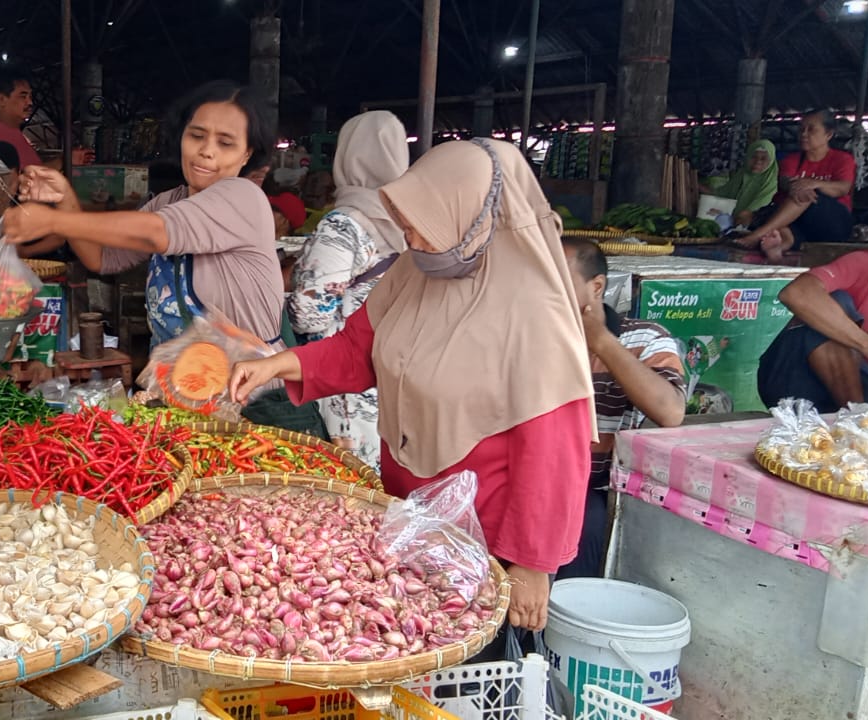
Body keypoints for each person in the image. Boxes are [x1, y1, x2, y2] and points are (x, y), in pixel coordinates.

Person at [228, 139, 594, 633]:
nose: (413, 239)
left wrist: (531, 565)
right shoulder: (417, 271)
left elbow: (553, 454)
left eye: (424, 224)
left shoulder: (535, 314)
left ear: (471, 216)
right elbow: (359, 349)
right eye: (406, 225)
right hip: (408, 511)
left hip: (483, 537)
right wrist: (277, 364)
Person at [2, 80, 322, 435]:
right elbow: (102, 258)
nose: (206, 151)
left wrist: (53, 220)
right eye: (197, 135)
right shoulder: (170, 201)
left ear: (247, 155)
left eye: (225, 143)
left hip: (254, 406)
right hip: (189, 403)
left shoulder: (243, 196)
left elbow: (158, 231)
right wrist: (65, 198)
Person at [557, 238, 687, 580]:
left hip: (596, 488)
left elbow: (670, 411)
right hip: (534, 478)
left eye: (556, 279)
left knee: (580, 523)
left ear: (596, 286)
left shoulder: (645, 338)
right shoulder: (531, 337)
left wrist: (599, 340)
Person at [287, 110, 410, 468]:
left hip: (341, 381)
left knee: (344, 485)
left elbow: (310, 315)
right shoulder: (406, 220)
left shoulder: (345, 224)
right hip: (384, 371)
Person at [757, 247, 868, 412]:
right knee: (834, 302)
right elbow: (797, 293)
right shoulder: (867, 265)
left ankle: (863, 422)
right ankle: (857, 418)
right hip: (796, 383)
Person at [737, 111, 857, 261]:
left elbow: (842, 188)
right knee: (773, 213)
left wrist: (814, 184)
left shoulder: (842, 159)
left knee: (806, 195)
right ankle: (782, 244)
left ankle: (759, 235)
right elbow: (784, 180)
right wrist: (793, 186)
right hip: (802, 225)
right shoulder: (791, 160)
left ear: (828, 134)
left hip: (833, 223)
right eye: (801, 129)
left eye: (811, 129)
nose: (804, 134)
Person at [703, 140, 778, 230]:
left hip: (755, 229)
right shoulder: (742, 174)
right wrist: (696, 186)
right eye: (754, 157)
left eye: (763, 158)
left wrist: (724, 215)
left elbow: (749, 214)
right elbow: (720, 193)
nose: (757, 161)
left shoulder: (771, 183)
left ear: (771, 161)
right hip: (733, 224)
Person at [0, 68, 43, 169]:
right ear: (2, 99)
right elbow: (25, 177)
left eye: (30, 97)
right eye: (23, 96)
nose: (30, 102)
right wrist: (62, 161)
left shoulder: (13, 133)